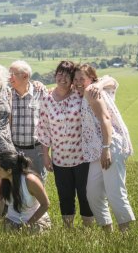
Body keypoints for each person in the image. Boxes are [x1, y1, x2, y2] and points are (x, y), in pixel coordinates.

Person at [74, 64, 135, 232]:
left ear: (91, 78)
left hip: (109, 146)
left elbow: (105, 119)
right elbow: (112, 80)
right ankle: (108, 232)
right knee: (93, 194)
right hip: (96, 151)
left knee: (115, 191)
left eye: (82, 78)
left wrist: (106, 148)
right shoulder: (91, 89)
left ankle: (126, 234)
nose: (79, 82)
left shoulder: (91, 92)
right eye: (76, 79)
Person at [36, 60, 94, 228]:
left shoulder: (80, 94)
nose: (63, 78)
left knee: (85, 194)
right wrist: (46, 155)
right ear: (55, 76)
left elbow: (107, 82)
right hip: (60, 158)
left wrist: (99, 84)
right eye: (60, 74)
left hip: (82, 156)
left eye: (67, 75)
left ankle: (87, 230)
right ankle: (68, 230)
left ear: (72, 79)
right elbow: (44, 129)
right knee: (65, 196)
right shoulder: (46, 100)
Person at [8, 60, 48, 182]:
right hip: (14, 150)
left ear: (25, 76)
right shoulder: (7, 94)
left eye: (12, 73)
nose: (9, 77)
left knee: (38, 185)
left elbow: (47, 121)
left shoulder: (40, 92)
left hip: (36, 151)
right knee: (17, 186)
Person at [0, 151, 51, 232]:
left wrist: (28, 225)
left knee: (29, 234)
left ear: (9, 171)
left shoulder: (30, 181)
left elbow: (45, 204)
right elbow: (2, 200)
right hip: (12, 221)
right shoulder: (5, 180)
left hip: (35, 221)